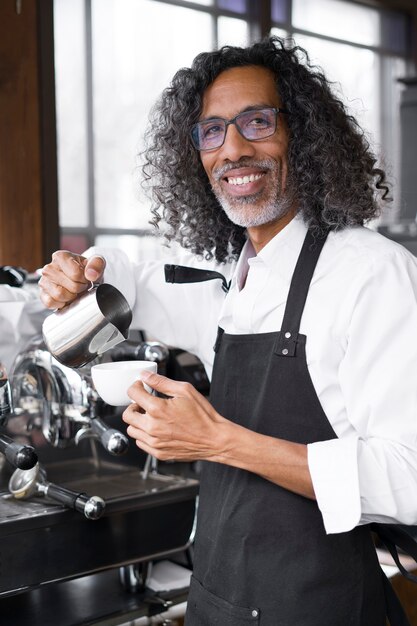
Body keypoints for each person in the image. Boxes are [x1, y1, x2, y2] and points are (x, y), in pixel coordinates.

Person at [39, 37, 417, 625]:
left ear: (305, 136)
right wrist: (82, 274)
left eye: (257, 122)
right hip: (219, 601)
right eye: (211, 131)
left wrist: (218, 440)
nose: (233, 149)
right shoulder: (228, 277)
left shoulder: (371, 273)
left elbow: (410, 477)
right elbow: (132, 276)